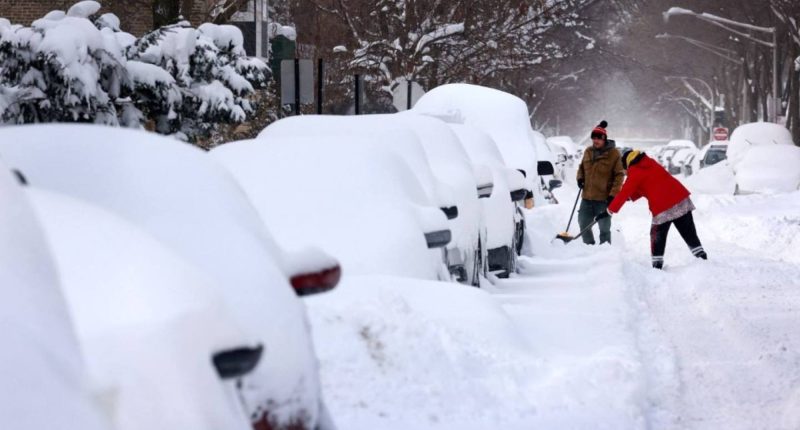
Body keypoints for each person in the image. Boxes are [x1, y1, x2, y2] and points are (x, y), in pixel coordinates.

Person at [595, 149, 708, 269]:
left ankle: (657, 265)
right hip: (681, 199)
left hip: (663, 207)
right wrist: (628, 197)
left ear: (626, 164)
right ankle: (702, 258)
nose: (625, 173)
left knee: (657, 235)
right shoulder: (649, 162)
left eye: (624, 170)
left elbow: (625, 191)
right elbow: (646, 185)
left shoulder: (635, 171)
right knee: (688, 232)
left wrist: (608, 211)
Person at [576, 120, 624, 245]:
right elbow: (581, 167)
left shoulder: (614, 154)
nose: (595, 141)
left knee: (604, 228)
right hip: (587, 197)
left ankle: (605, 254)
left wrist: (613, 195)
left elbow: (619, 175)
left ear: (604, 139)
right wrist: (580, 178)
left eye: (598, 138)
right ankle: (590, 247)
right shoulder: (588, 151)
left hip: (604, 199)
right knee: (583, 223)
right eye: (593, 138)